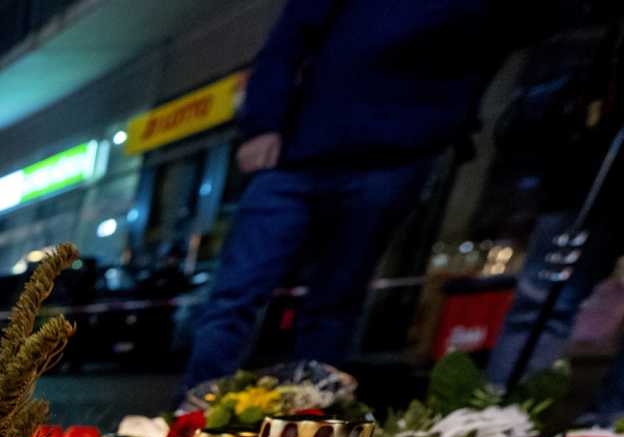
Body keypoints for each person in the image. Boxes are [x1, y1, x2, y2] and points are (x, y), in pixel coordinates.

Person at [183, 0, 516, 390]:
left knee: (337, 300)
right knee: (236, 293)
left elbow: (497, 42)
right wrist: (263, 123)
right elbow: (286, 42)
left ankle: (311, 419)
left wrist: (445, 128)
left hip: (395, 157)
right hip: (299, 152)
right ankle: (196, 411)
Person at [486, 23, 624, 424]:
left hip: (586, 156)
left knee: (544, 302)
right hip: (590, 157)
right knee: (544, 299)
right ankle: (495, 429)